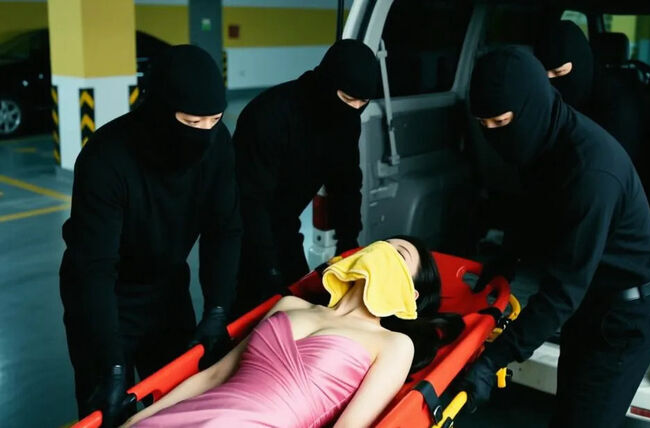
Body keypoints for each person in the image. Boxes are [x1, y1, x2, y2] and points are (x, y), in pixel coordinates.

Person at [461, 48, 650, 428]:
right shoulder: (542, 139)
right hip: (589, 307)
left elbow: (563, 290)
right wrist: (506, 260)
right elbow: (533, 210)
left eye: (501, 122)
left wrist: (493, 360)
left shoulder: (592, 173)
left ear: (530, 106)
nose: (494, 135)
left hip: (624, 320)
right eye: (484, 125)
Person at [59, 45, 241, 427]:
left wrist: (217, 309)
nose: (205, 134)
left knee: (181, 400)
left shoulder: (218, 143)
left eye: (214, 120)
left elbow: (224, 230)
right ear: (159, 109)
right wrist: (110, 365)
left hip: (166, 288)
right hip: (104, 296)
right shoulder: (106, 159)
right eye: (192, 122)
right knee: (108, 409)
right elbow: (95, 270)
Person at [121, 236, 464, 428]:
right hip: (193, 414)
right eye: (381, 245)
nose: (382, 252)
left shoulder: (394, 344)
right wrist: (138, 418)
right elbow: (215, 375)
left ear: (411, 295)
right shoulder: (290, 305)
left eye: (398, 254)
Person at [232, 39, 380, 316]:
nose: (355, 108)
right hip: (240, 228)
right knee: (249, 310)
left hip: (285, 225)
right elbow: (251, 201)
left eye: (363, 102)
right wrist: (269, 269)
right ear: (327, 82)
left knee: (298, 301)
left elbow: (346, 182)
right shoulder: (269, 115)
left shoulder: (348, 118)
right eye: (348, 99)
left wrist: (349, 241)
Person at [535, 20, 643, 162]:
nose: (551, 81)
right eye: (545, 73)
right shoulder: (548, 96)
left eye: (558, 72)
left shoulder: (616, 108)